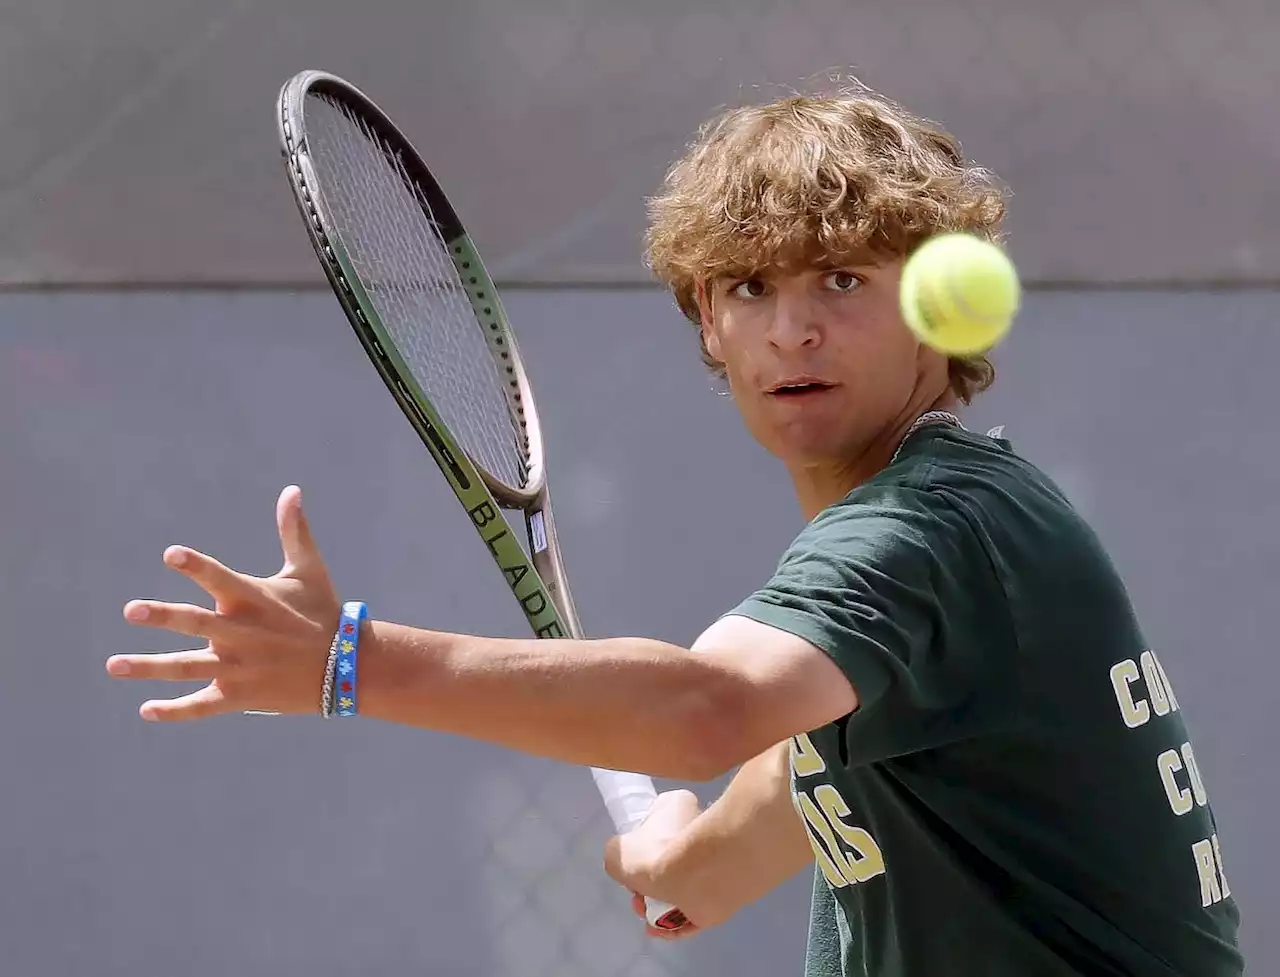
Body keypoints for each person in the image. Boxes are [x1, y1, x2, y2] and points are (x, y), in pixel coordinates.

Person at [107, 80, 1244, 976]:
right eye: (747, 287)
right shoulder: (966, 528)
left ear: (936, 308)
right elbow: (786, 776)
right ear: (705, 318)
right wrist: (682, 857)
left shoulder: (922, 530)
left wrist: (349, 663)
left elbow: (707, 709)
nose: (788, 330)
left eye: (839, 280)